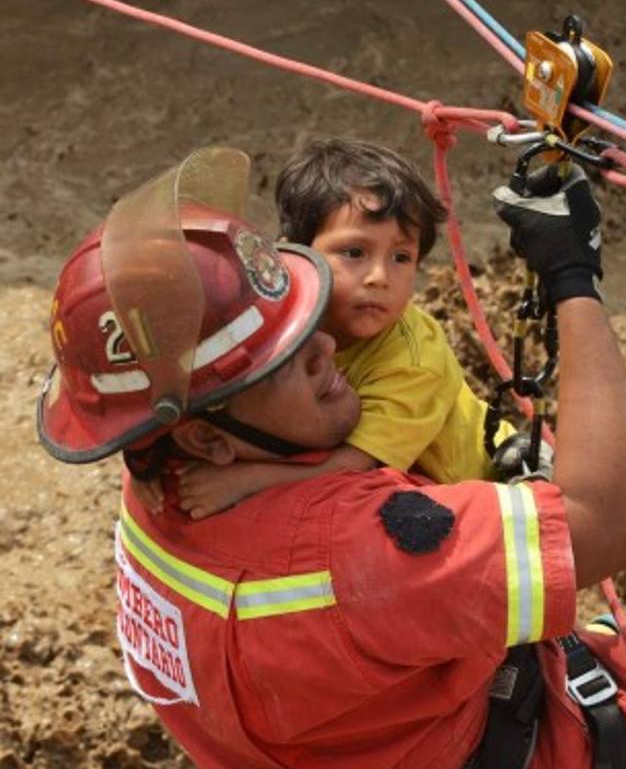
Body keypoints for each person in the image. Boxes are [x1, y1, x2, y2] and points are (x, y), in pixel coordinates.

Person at [38, 146, 626, 769]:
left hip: (321, 754)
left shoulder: (158, 482)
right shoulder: (360, 550)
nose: (325, 346)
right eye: (284, 361)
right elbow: (612, 522)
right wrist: (573, 278)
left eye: (305, 323)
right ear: (208, 437)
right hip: (517, 749)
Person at [132, 139, 521, 519]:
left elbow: (355, 466)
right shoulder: (279, 305)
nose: (379, 276)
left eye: (402, 257)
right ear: (296, 254)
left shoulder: (414, 361)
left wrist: (244, 480)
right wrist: (145, 455)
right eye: (355, 252)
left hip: (479, 482)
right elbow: (201, 365)